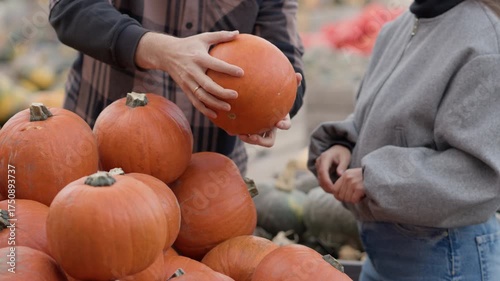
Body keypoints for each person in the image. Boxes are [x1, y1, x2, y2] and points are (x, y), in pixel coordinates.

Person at [308, 0, 500, 280]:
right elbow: (378, 114)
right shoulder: (398, 27)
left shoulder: (485, 42)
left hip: (446, 257)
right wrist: (344, 144)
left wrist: (378, 177)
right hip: (382, 250)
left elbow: (479, 172)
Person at [48, 0, 306, 175]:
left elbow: (286, 57)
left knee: (216, 247)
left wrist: (275, 111)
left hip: (207, 176)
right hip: (100, 155)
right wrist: (162, 52)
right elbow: (70, 8)